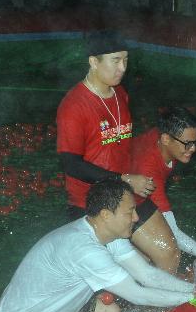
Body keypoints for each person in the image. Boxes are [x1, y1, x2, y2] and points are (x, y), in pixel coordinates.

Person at [0, 179, 194, 312]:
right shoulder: (83, 248)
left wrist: (195, 289)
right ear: (106, 215)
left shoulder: (109, 235)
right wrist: (193, 299)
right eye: (129, 211)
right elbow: (138, 295)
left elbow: (147, 275)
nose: (136, 217)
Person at [56, 30, 181, 272]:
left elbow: (122, 146)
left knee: (168, 252)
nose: (122, 68)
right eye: (115, 60)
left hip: (127, 191)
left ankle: (155, 311)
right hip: (92, 202)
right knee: (121, 272)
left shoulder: (120, 94)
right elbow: (70, 163)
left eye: (125, 60)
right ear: (94, 61)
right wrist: (123, 179)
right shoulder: (74, 106)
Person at [131, 106, 196, 259]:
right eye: (187, 143)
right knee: (169, 252)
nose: (192, 149)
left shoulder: (165, 138)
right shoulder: (149, 173)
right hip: (122, 202)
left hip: (136, 184)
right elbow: (173, 233)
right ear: (166, 139)